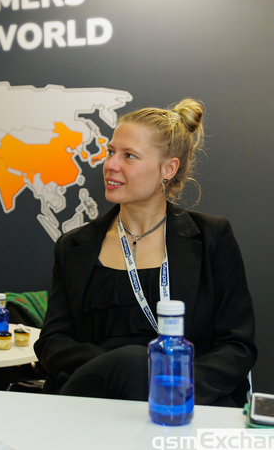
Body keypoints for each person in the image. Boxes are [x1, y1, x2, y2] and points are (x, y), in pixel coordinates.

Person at [34, 98, 257, 407]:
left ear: (168, 168)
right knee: (132, 362)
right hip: (93, 403)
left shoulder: (212, 238)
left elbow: (237, 345)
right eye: (111, 152)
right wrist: (122, 371)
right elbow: (53, 342)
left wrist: (173, 386)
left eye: (129, 156)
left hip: (184, 402)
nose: (111, 165)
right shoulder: (74, 246)